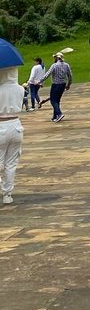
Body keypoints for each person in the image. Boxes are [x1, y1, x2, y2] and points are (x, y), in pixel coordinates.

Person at [0, 38, 25, 204]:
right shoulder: (20, 89)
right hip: (16, 126)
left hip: (1, 125)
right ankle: (8, 194)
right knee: (11, 164)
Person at [42, 52, 72, 122]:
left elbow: (47, 74)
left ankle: (59, 113)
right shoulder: (66, 65)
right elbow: (70, 76)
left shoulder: (54, 65)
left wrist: (40, 81)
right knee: (57, 100)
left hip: (55, 84)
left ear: (56, 58)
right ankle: (55, 116)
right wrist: (68, 84)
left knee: (53, 100)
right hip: (63, 84)